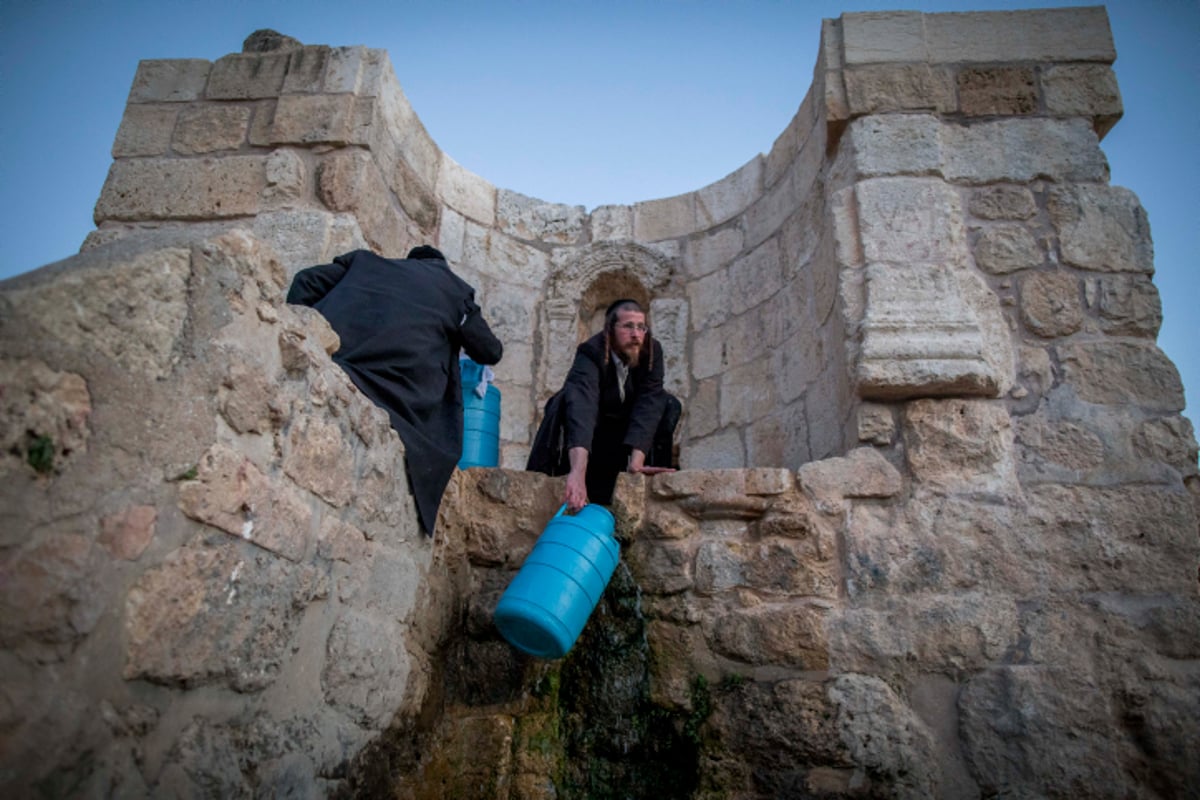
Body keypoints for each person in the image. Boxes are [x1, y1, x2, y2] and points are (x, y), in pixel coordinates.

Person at [287, 246, 502, 536]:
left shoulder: (363, 261)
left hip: (336, 364)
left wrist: (309, 341)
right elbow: (490, 350)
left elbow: (305, 281)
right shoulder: (454, 290)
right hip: (400, 396)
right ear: (442, 267)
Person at [527, 298, 679, 512]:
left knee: (669, 403)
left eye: (641, 327)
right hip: (595, 431)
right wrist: (577, 473)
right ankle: (562, 473)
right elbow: (582, 408)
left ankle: (651, 486)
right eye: (628, 326)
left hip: (624, 433)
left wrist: (637, 460)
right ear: (610, 329)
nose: (636, 335)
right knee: (566, 397)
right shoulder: (590, 352)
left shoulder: (652, 351)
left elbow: (650, 401)